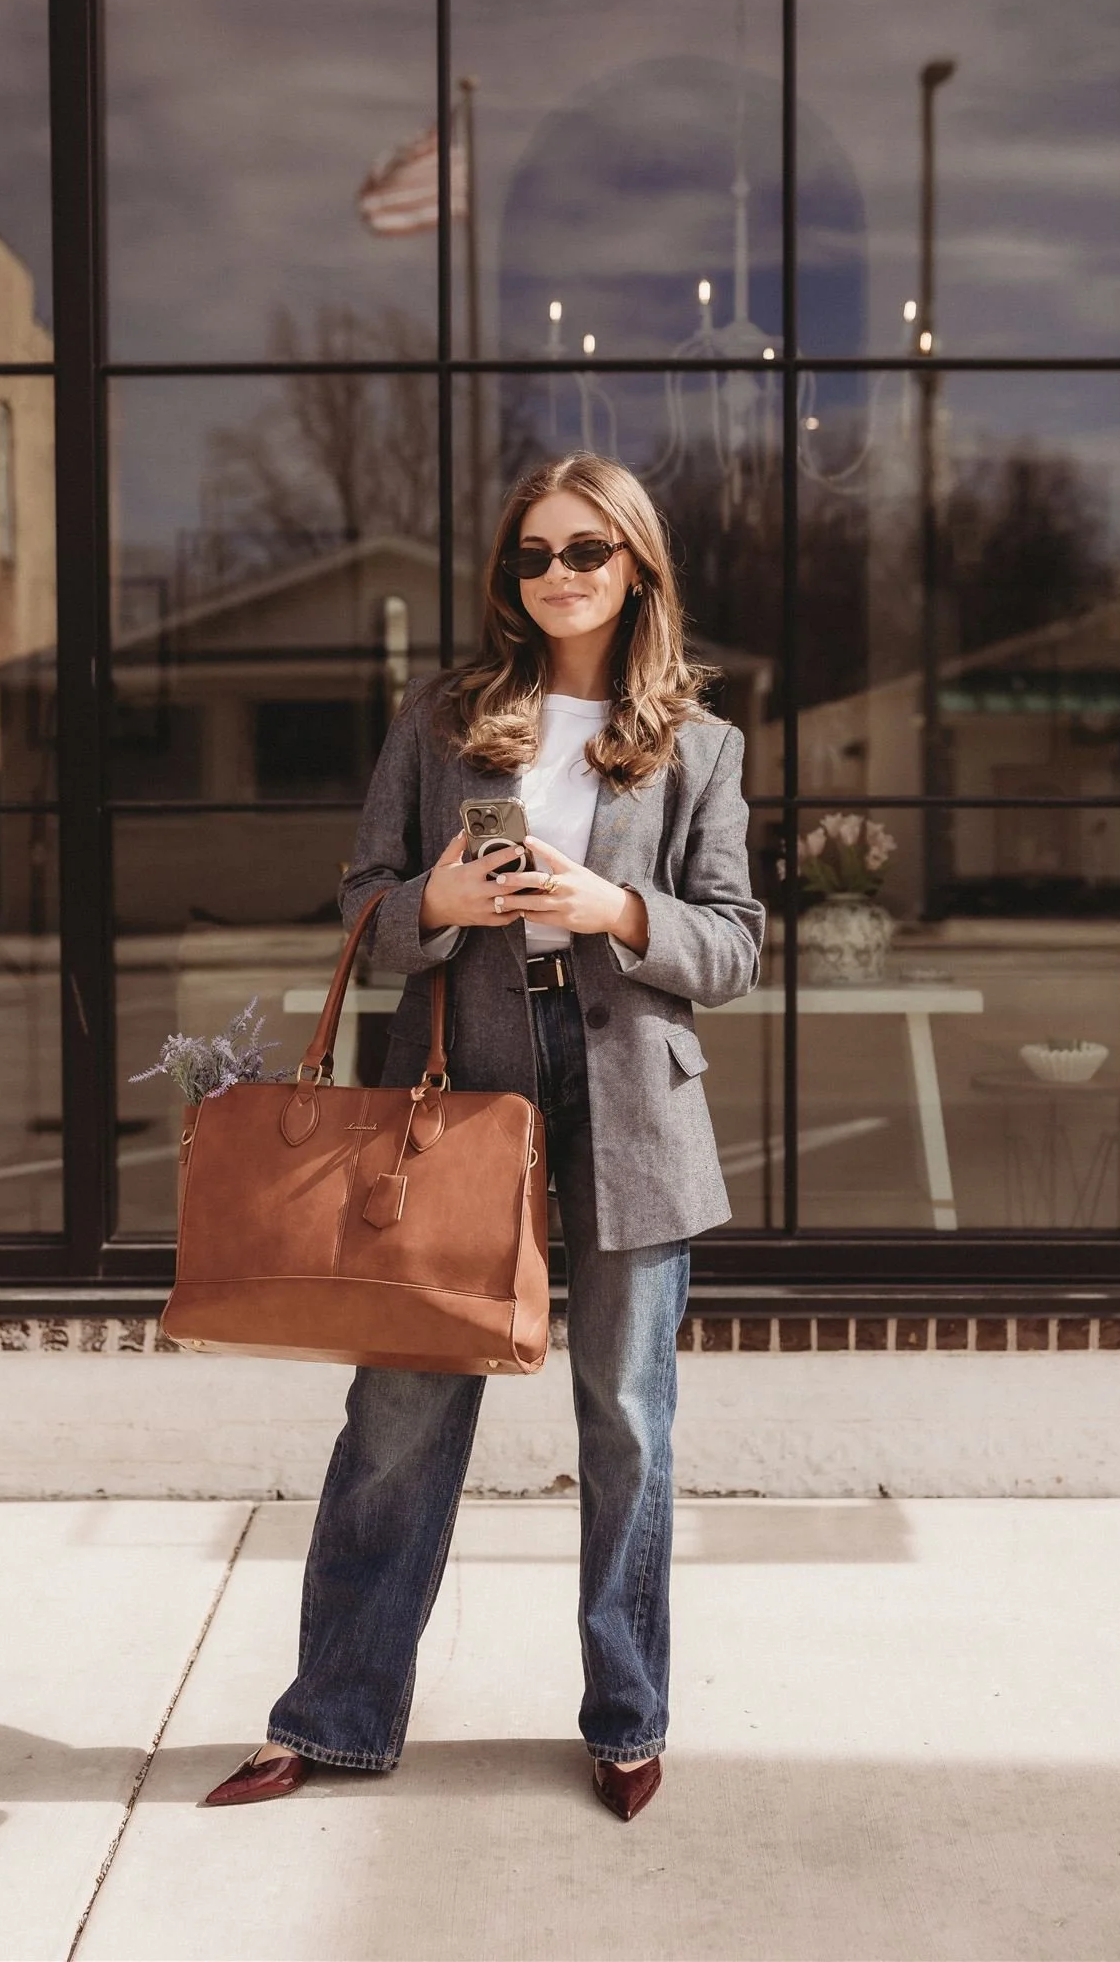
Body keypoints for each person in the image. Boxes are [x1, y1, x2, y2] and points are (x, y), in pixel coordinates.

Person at [204, 451, 765, 1823]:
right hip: (455, 1095)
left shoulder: (701, 744)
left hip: (632, 1093)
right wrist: (440, 901)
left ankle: (628, 1716)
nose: (558, 573)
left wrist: (615, 910)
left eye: (587, 550)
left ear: (636, 566)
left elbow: (737, 944)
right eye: (533, 553)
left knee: (626, 1421)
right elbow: (363, 901)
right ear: (509, 576)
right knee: (398, 1414)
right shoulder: (442, 716)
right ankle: (329, 1714)